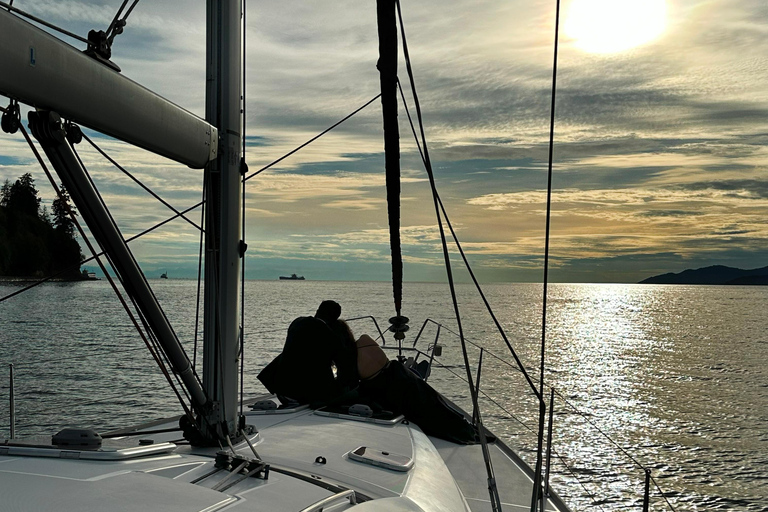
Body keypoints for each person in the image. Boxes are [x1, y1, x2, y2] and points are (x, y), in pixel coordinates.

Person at [258, 300, 357, 406]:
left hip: (281, 390)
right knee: (353, 394)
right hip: (303, 395)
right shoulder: (330, 336)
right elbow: (344, 365)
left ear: (318, 311)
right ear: (335, 318)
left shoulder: (297, 323)